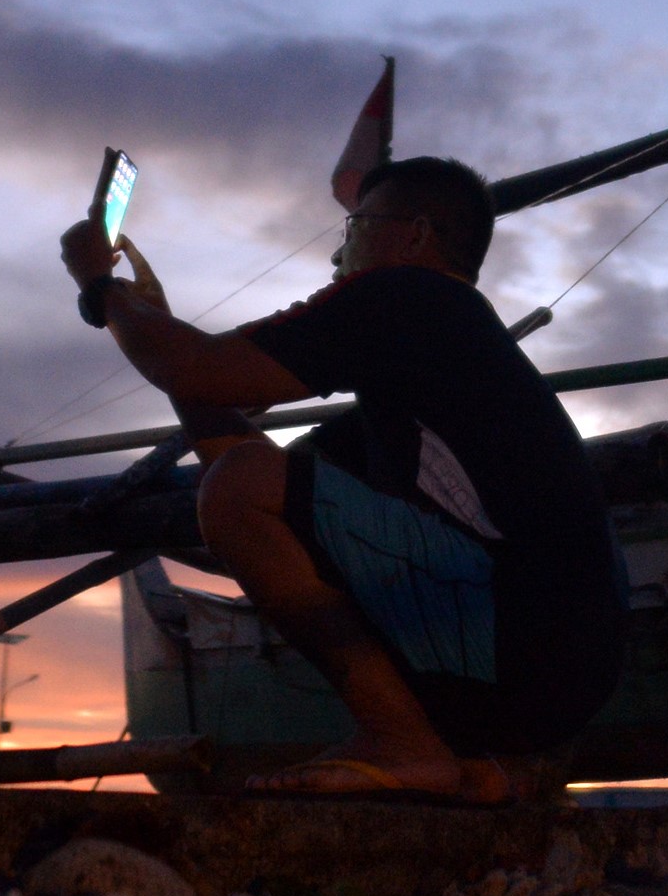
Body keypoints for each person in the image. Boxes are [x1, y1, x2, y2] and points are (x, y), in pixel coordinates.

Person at [61, 155, 627, 801]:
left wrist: (101, 289)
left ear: (413, 236)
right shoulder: (431, 376)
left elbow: (205, 383)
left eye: (354, 226)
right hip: (555, 675)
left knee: (246, 483)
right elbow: (239, 466)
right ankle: (481, 762)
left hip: (524, 645)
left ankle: (404, 742)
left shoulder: (408, 297)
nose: (337, 255)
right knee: (248, 480)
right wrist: (152, 321)